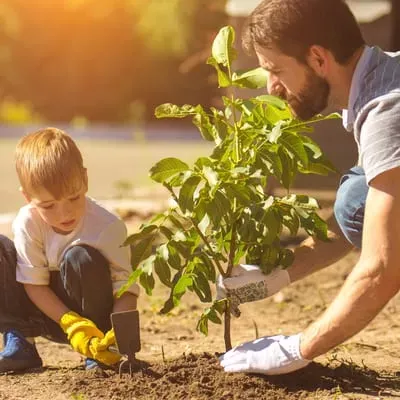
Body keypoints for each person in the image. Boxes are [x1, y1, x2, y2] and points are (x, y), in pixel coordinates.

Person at [218, 0, 400, 375]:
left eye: (275, 70)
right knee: (358, 197)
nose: (272, 87)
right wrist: (284, 272)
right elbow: (374, 215)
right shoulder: (383, 77)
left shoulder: (386, 111)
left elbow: (383, 266)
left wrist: (298, 349)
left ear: (318, 58)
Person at [0, 127, 139, 372]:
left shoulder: (107, 227)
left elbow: (125, 288)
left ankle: (95, 350)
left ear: (85, 180)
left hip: (91, 321)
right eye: (49, 206)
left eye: (74, 198)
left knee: (80, 257)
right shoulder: (28, 222)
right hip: (49, 316)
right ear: (27, 197)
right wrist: (71, 322)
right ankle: (21, 340)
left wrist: (118, 333)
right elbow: (34, 284)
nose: (64, 214)